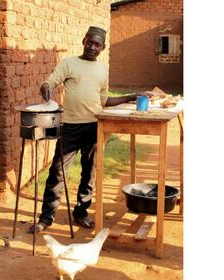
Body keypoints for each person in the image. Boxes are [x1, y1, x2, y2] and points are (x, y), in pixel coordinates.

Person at [27, 26, 152, 234]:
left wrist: (132, 96)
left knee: (89, 171)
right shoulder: (69, 63)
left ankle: (81, 213)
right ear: (83, 40)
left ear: (103, 48)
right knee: (57, 172)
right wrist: (46, 89)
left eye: (97, 44)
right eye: (90, 42)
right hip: (70, 127)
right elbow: (50, 82)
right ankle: (46, 218)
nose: (92, 47)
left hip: (94, 125)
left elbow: (104, 100)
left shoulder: (102, 70)